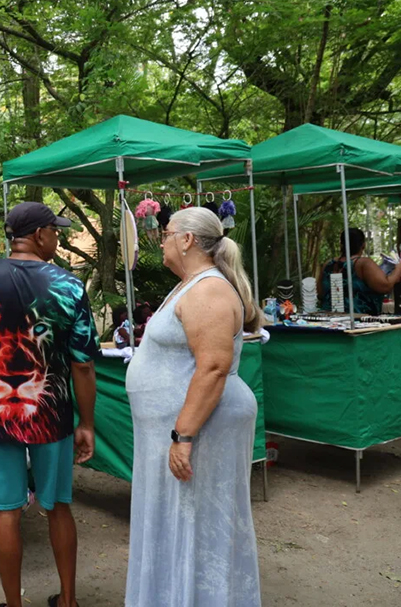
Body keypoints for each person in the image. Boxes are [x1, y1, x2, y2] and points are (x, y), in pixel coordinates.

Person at [0, 202, 99, 607]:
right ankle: (68, 601)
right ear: (41, 234)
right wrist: (86, 423)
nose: (58, 238)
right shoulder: (68, 286)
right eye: (56, 231)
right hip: (53, 416)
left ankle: (14, 605)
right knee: (58, 505)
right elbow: (83, 365)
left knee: (6, 512)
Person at [125, 207, 262, 606]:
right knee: (179, 521)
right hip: (184, 431)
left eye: (166, 234)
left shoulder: (209, 290)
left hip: (202, 430)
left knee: (200, 524)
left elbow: (214, 367)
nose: (161, 242)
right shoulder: (191, 286)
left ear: (186, 240)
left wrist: (183, 435)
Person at [316, 228, 401, 314]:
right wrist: (399, 269)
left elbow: (320, 293)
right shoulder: (363, 264)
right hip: (357, 319)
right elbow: (385, 286)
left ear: (341, 245)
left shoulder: (328, 264)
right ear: (363, 245)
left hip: (329, 317)